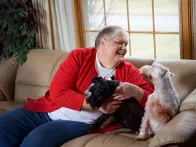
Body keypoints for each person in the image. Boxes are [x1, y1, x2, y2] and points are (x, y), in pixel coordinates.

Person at [0, 26, 154, 147]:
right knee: (3, 127)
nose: (124, 48)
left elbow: (155, 101)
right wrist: (97, 105)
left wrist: (136, 90)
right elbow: (57, 92)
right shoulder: (79, 56)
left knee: (35, 141)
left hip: (79, 122)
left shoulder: (128, 71)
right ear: (103, 42)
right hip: (48, 109)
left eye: (126, 44)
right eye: (119, 43)